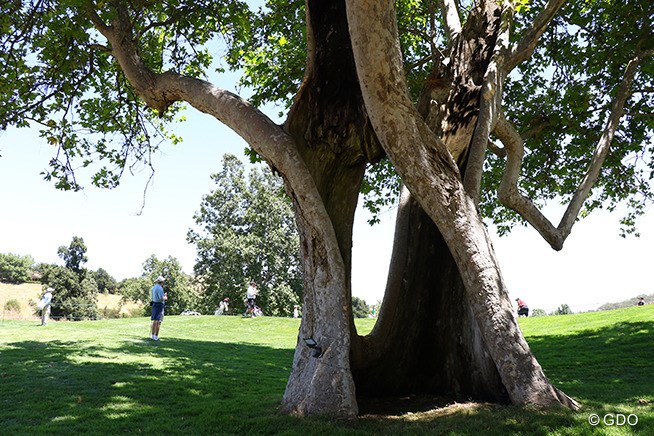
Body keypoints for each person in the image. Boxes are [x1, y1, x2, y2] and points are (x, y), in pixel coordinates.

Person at [150, 276, 167, 341]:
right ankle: (156, 337)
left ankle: (153, 336)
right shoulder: (160, 288)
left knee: (154, 321)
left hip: (154, 304)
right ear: (162, 282)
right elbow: (161, 298)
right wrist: (165, 297)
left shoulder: (154, 287)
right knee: (158, 321)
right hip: (159, 305)